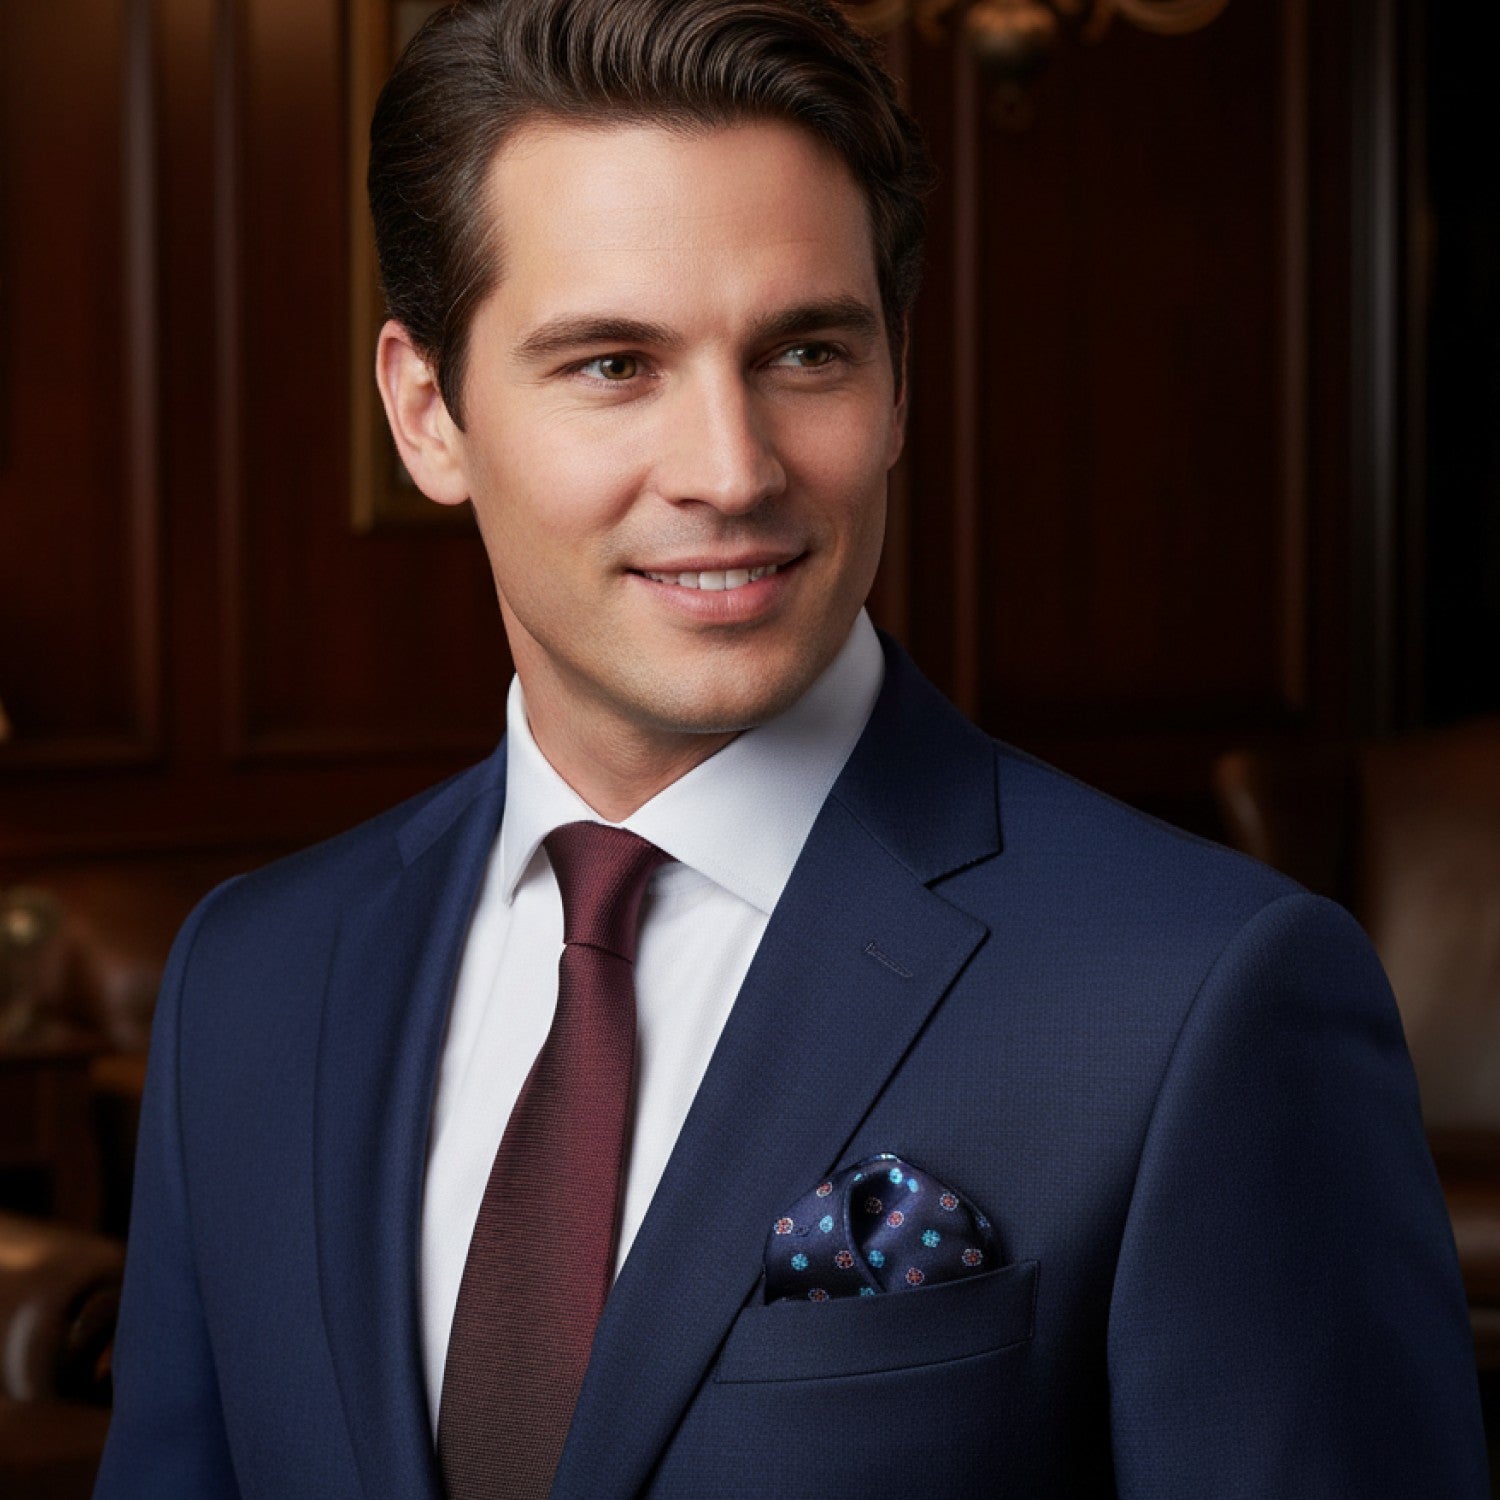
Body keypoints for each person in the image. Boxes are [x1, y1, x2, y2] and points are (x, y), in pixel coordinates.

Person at [95, 0, 1489, 1495]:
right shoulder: (249, 985)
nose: (730, 469)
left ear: (896, 386)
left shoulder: (1206, 997)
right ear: (427, 412)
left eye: (807, 352)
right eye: (614, 365)